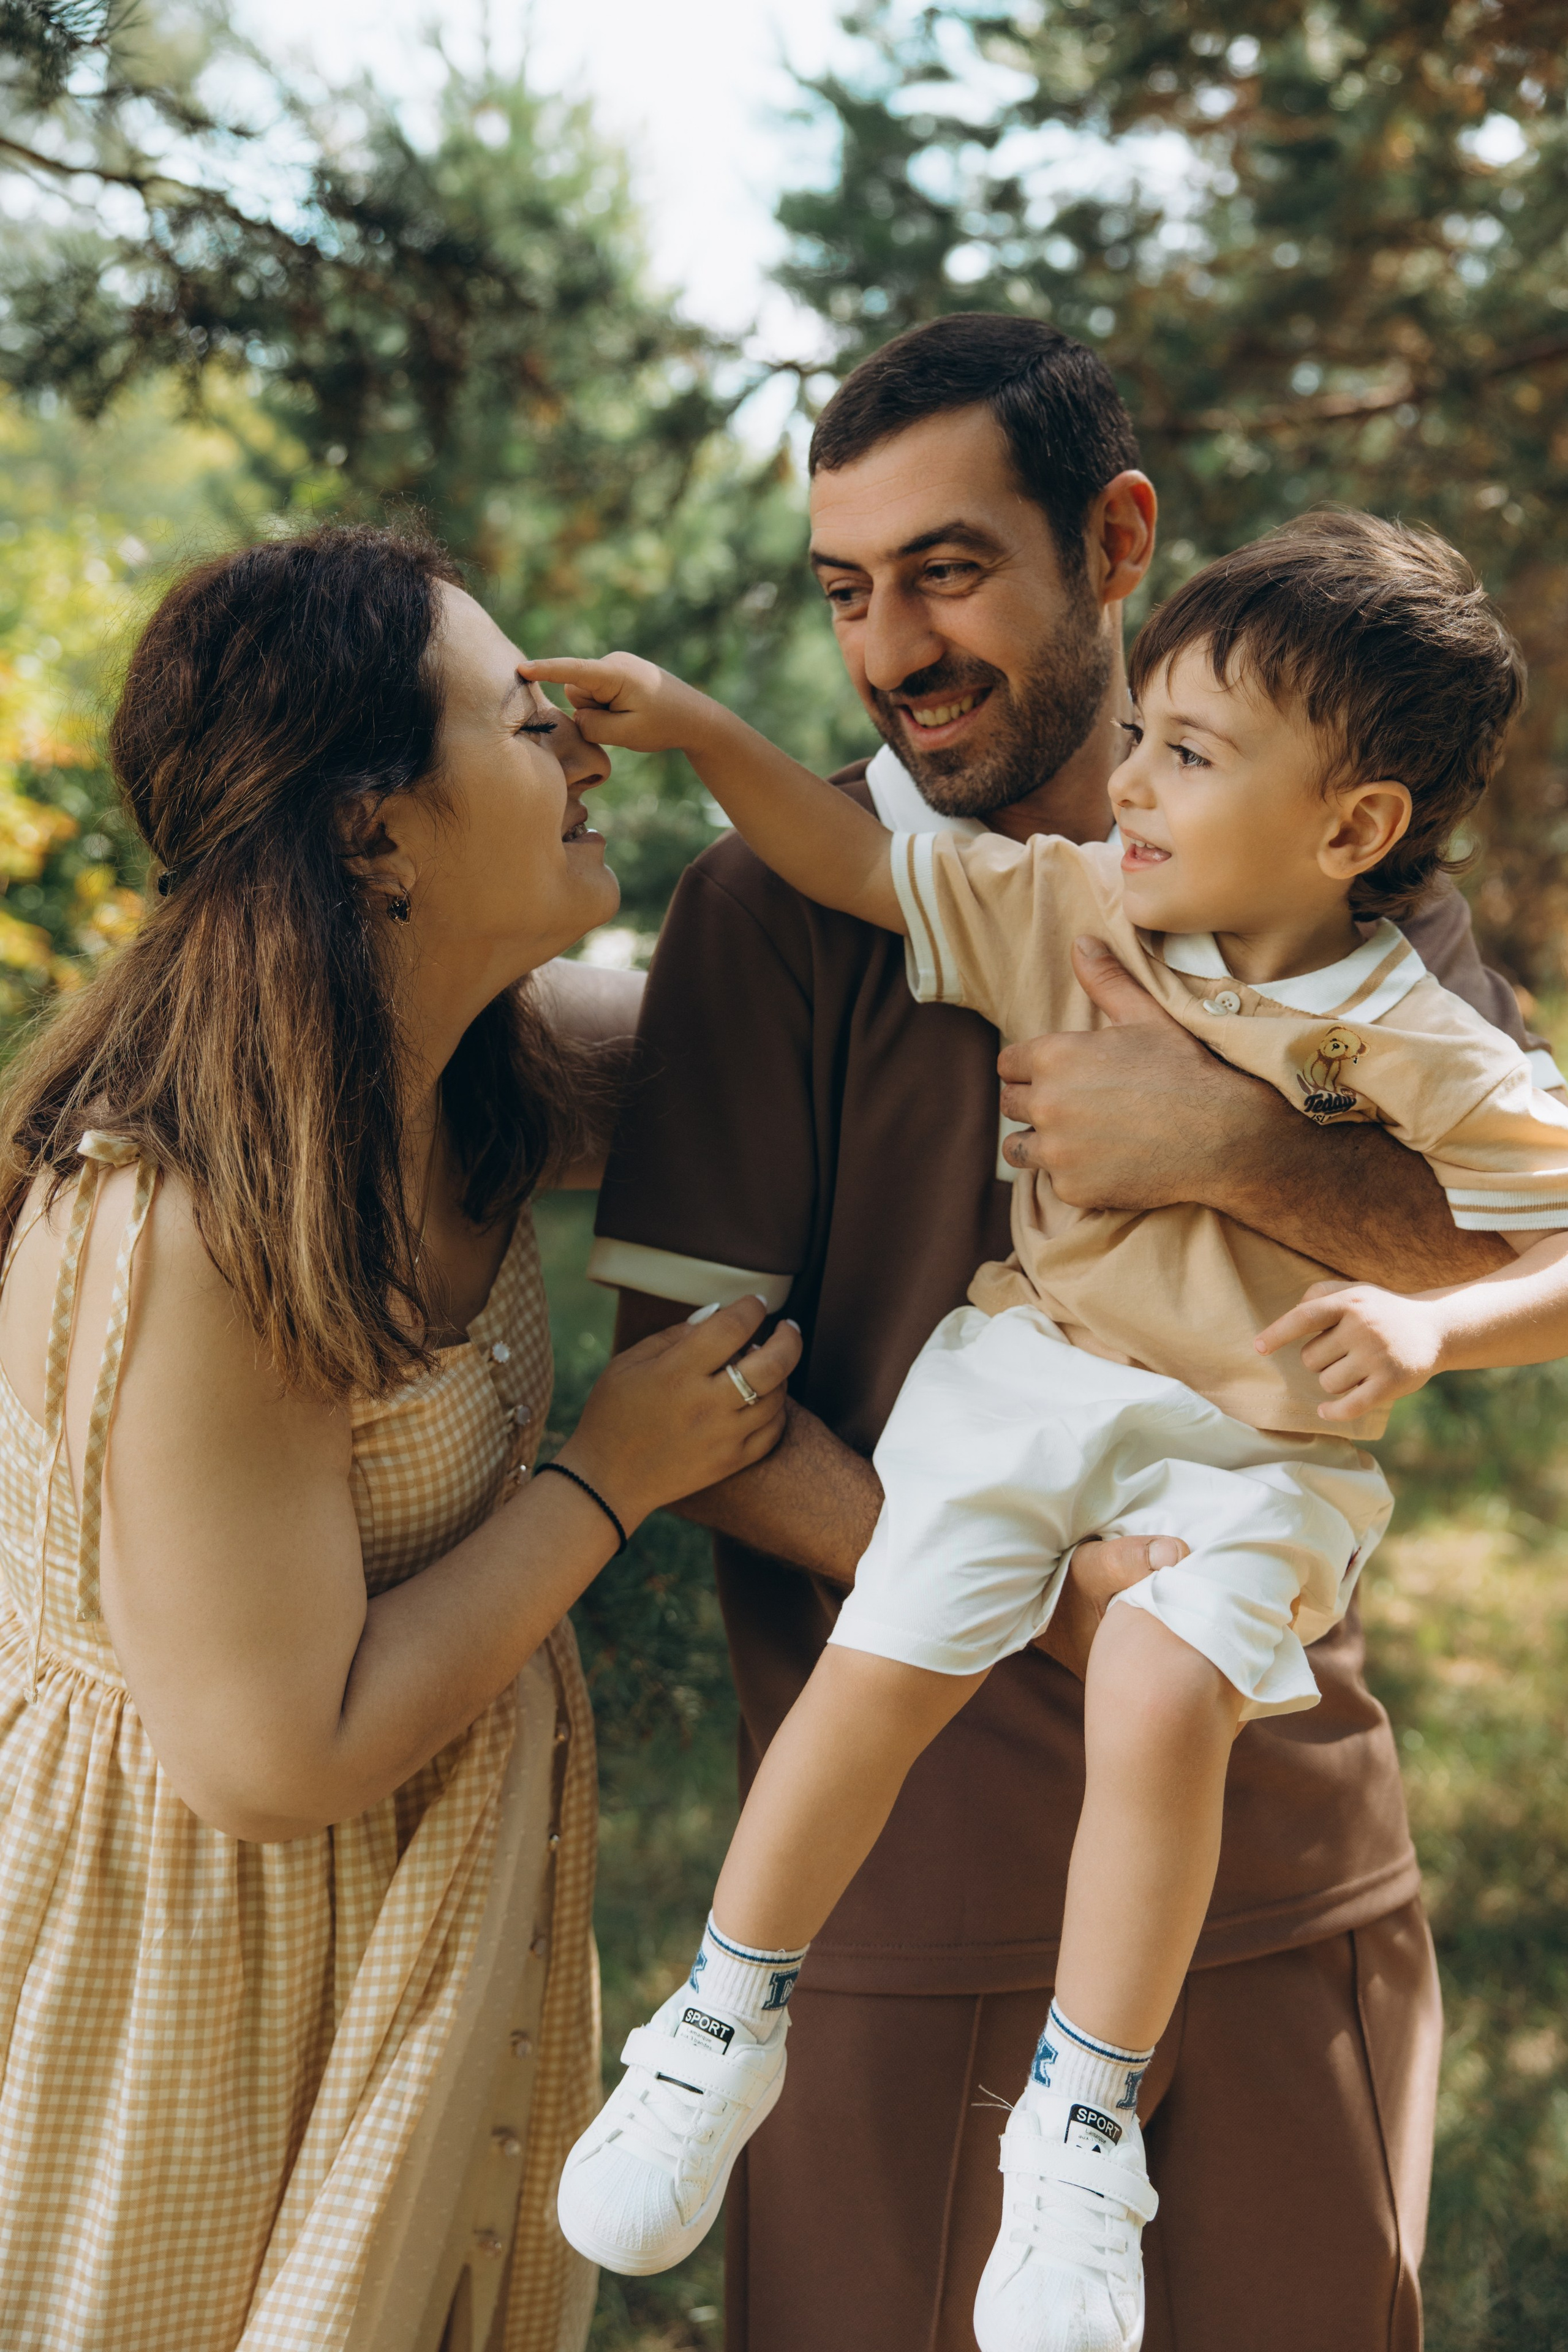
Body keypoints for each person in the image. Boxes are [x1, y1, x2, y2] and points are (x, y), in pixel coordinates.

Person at [575, 317, 1559, 2352]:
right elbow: (702, 1414)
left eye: (948, 572)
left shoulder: (1362, 900)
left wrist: (1232, 1148)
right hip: (893, 1911)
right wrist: (1059, 1588)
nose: (890, 648)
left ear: (1112, 541)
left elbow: (1482, 1247)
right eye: (847, 591)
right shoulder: (774, 915)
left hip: (1275, 1873)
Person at [0, 523, 800, 2352]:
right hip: (189, 1966)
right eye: (531, 722)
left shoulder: (474, 1070)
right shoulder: (198, 1213)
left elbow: (808, 1040)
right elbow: (275, 1758)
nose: (590, 752)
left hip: (409, 1912)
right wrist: (611, 1475)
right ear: (373, 829)